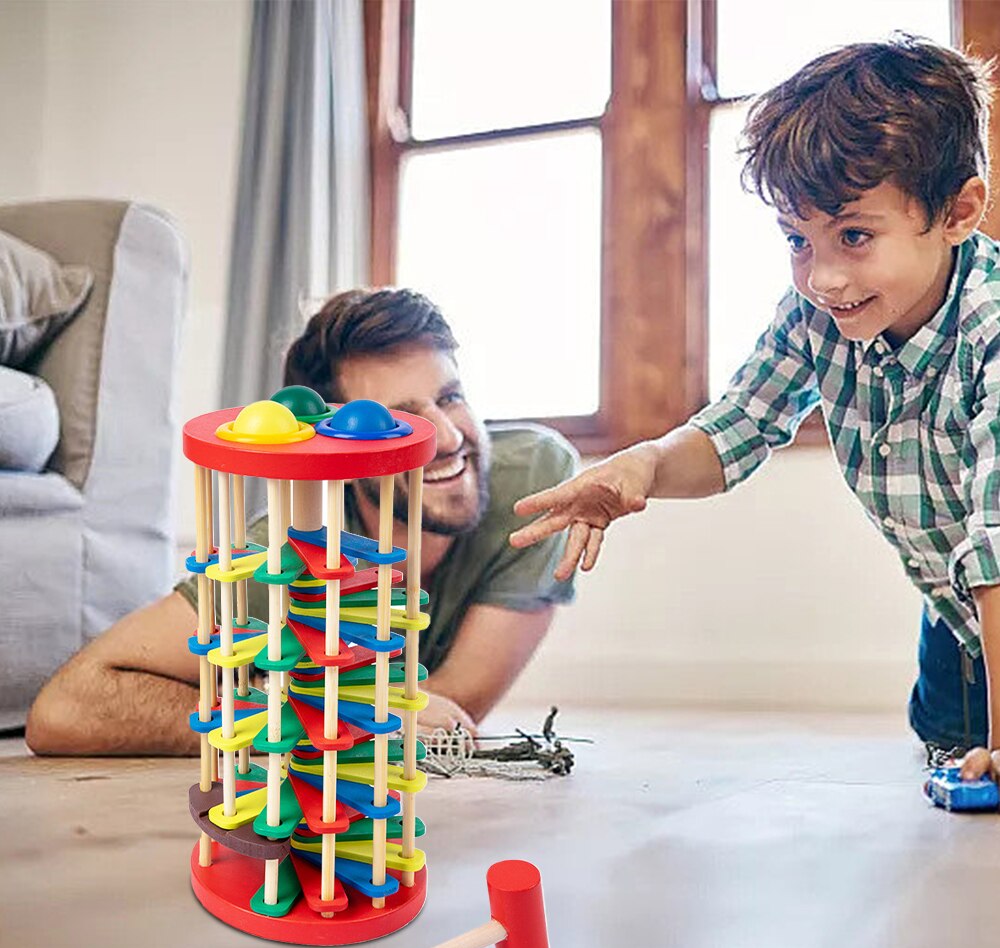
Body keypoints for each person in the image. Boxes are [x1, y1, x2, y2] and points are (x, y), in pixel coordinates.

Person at [510, 36, 1000, 780]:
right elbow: (737, 428)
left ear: (959, 211)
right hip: (957, 619)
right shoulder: (816, 315)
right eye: (798, 240)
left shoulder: (990, 329)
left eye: (855, 236)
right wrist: (644, 464)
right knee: (951, 794)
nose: (824, 277)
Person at [26, 288, 576, 755]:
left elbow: (452, 710)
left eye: (450, 397)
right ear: (335, 450)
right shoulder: (290, 554)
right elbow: (66, 707)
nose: (450, 439)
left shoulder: (535, 481)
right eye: (400, 420)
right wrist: (301, 725)